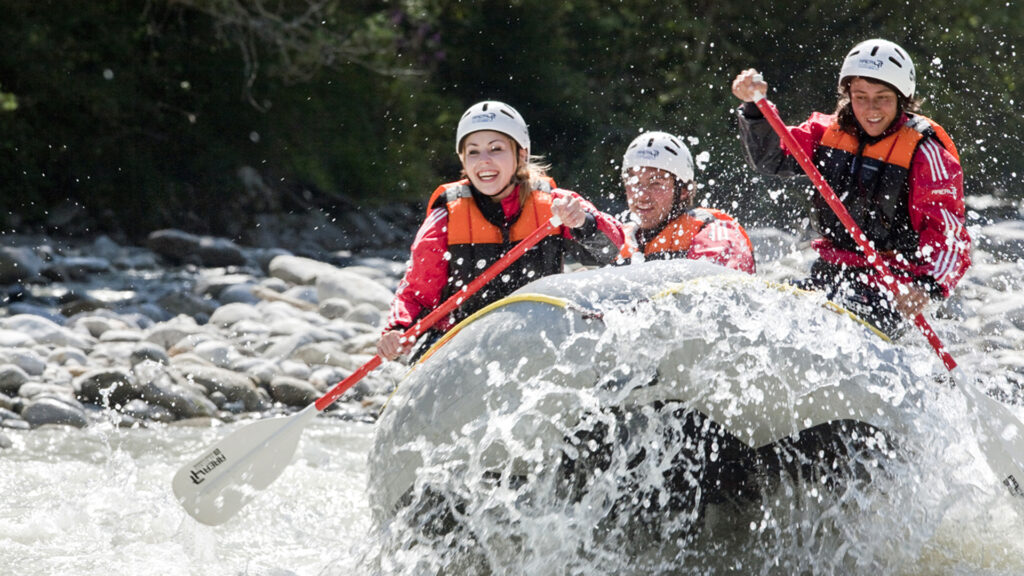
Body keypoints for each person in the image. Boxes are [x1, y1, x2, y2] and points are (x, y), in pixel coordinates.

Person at [731, 38, 970, 338]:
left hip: (892, 283)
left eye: (882, 97)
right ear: (848, 95)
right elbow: (772, 158)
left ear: (902, 98)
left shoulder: (925, 153)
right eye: (860, 97)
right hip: (831, 269)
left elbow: (950, 237)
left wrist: (924, 288)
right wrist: (754, 108)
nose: (871, 109)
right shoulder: (826, 132)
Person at [377, 100, 625, 360]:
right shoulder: (445, 219)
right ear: (463, 160)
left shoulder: (557, 205)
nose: (484, 161)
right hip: (464, 344)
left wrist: (582, 223)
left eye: (496, 149)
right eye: (473, 152)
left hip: (539, 338)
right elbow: (417, 294)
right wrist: (398, 329)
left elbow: (616, 251)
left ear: (521, 155)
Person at [617, 130, 756, 273]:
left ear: (683, 190)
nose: (641, 196)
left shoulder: (712, 233)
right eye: (634, 182)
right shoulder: (618, 239)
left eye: (656, 183)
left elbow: (721, 286)